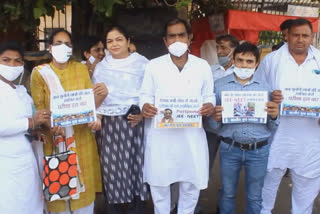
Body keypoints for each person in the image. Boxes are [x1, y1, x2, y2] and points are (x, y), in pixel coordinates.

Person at [140, 18, 214, 214]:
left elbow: (209, 95)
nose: (177, 40)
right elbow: (145, 95)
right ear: (165, 41)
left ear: (190, 38)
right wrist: (145, 106)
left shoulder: (202, 66)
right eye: (171, 36)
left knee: (190, 185)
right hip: (160, 137)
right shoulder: (153, 66)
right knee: (159, 185)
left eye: (181, 35)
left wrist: (209, 106)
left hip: (191, 136)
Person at [31, 29, 108, 214]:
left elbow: (88, 105)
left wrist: (97, 111)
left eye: (67, 44)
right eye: (58, 43)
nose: (62, 47)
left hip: (81, 140)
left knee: (84, 198)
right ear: (50, 48)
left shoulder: (81, 70)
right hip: (55, 143)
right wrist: (50, 124)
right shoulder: (40, 73)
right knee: (60, 196)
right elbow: (40, 109)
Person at [257, 18, 320, 214]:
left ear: (312, 37)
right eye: (296, 35)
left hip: (311, 139)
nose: (300, 39)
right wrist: (270, 96)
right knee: (267, 186)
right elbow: (257, 91)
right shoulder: (272, 60)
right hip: (277, 137)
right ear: (287, 36)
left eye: (305, 35)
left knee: (306, 191)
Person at [208, 42, 279, 214]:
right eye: (240, 60)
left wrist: (275, 116)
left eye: (249, 61)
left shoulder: (266, 88)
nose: (244, 65)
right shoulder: (219, 86)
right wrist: (214, 118)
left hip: (259, 150)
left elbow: (273, 126)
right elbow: (213, 126)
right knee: (227, 194)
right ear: (233, 60)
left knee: (255, 196)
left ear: (256, 63)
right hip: (230, 147)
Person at [92, 25, 149, 214]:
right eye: (110, 41)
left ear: (128, 41)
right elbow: (95, 101)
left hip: (135, 124)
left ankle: (137, 208)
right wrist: (97, 115)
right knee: (112, 170)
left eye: (119, 39)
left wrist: (142, 114)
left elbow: (149, 94)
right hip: (109, 127)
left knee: (137, 167)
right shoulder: (101, 67)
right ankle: (114, 209)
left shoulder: (143, 64)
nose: (114, 44)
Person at [0, 40, 51, 214]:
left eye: (18, 61)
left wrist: (35, 130)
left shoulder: (20, 90)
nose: (12, 65)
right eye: (6, 60)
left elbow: (29, 117)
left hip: (26, 158)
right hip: (5, 161)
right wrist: (31, 123)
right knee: (9, 204)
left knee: (30, 203)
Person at [197, 34, 239, 214]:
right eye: (218, 48)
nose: (220, 51)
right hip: (209, 129)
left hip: (231, 131)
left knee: (229, 173)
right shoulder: (209, 70)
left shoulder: (243, 71)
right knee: (201, 168)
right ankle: (194, 207)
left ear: (234, 49)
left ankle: (223, 207)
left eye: (224, 47)